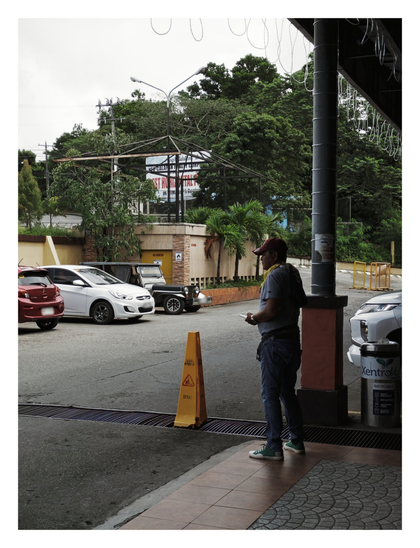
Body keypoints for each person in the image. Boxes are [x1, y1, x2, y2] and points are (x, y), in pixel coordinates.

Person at [245, 237, 306, 460]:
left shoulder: (275, 274)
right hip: (291, 340)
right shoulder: (292, 272)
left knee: (270, 395)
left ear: (274, 256)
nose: (261, 258)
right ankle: (296, 440)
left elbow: (270, 312)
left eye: (264, 254)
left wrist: (253, 317)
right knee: (287, 391)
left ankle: (273, 446)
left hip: (275, 343)